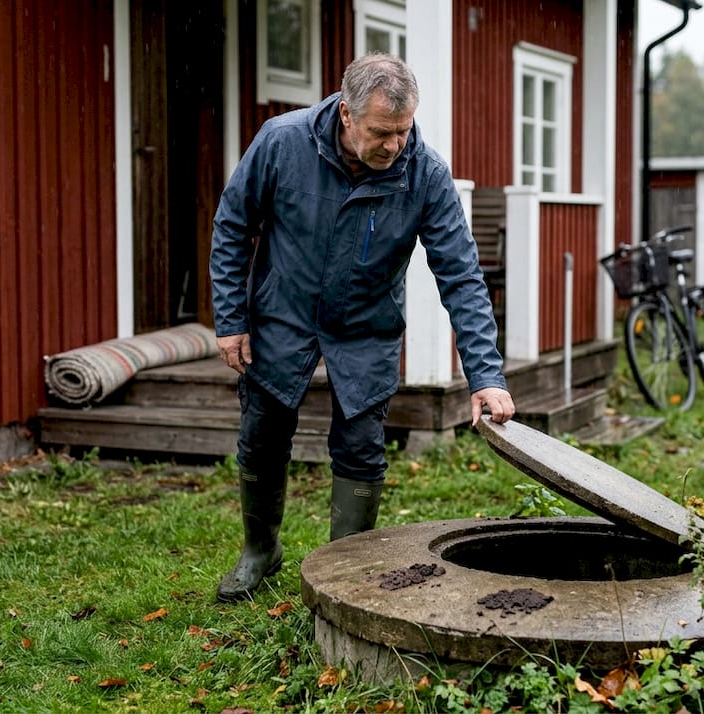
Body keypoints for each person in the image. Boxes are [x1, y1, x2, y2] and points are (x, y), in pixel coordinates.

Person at [209, 53, 515, 602]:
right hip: (283, 312)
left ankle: (342, 578)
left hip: (365, 325)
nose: (394, 145)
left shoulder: (426, 173)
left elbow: (463, 277)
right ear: (346, 114)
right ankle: (260, 550)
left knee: (361, 448)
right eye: (380, 132)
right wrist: (231, 318)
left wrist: (486, 376)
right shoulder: (282, 142)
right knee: (262, 434)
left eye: (403, 131)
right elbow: (233, 225)